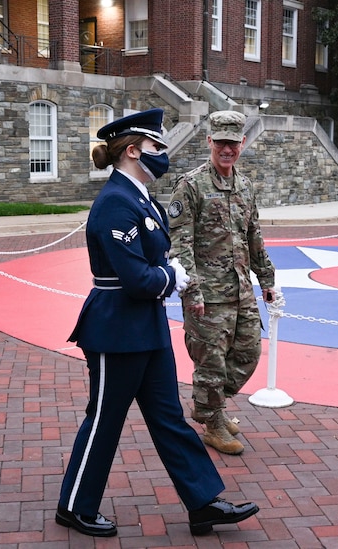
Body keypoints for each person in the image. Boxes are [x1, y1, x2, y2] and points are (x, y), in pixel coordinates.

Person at [57, 108, 259, 538]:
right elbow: (134, 278)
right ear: (132, 151)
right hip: (116, 329)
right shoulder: (115, 201)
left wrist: (166, 270)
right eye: (156, 147)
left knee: (168, 418)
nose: (162, 155)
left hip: (145, 327)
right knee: (104, 420)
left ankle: (203, 502)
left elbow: (154, 258)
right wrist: (172, 276)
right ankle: (74, 505)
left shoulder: (140, 197)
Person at [168, 110, 276, 455]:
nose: (227, 149)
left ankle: (208, 406)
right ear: (209, 141)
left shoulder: (245, 185)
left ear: (242, 143)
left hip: (241, 289)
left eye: (233, 143)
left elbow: (253, 236)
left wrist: (267, 280)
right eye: (221, 143)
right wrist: (192, 291)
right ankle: (213, 423)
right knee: (211, 361)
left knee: (248, 351)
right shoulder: (191, 185)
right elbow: (179, 244)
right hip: (208, 295)